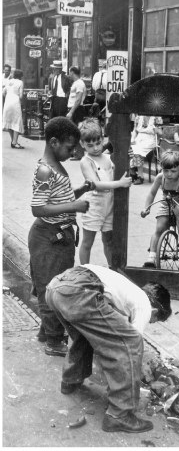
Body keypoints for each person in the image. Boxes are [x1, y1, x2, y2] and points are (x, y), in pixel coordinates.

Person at [45, 264, 172, 433]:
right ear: (155, 310)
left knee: (84, 334)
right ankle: (119, 416)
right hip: (78, 291)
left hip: (56, 287)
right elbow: (131, 344)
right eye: (154, 319)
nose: (151, 321)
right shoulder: (144, 304)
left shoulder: (126, 290)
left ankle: (71, 380)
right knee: (132, 342)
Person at [28, 117, 95, 356]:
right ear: (54, 142)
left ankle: (47, 331)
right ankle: (54, 341)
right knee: (51, 288)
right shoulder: (46, 169)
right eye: (70, 147)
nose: (73, 152)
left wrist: (80, 191)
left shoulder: (55, 165)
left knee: (53, 284)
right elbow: (38, 208)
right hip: (49, 237)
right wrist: (74, 207)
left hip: (59, 236)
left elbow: (58, 199)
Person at [78, 118, 132, 267]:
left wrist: (128, 156)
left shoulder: (108, 158)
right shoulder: (86, 161)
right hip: (94, 205)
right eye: (90, 145)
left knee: (108, 240)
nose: (95, 148)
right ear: (82, 144)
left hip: (109, 204)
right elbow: (95, 184)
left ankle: (112, 269)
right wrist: (119, 184)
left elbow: (122, 171)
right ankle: (85, 269)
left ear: (103, 139)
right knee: (88, 242)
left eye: (98, 143)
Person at [142, 150, 179, 268]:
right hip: (166, 204)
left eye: (173, 171)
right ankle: (151, 257)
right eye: (165, 170)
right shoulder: (160, 177)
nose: (169, 174)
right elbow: (152, 193)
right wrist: (146, 208)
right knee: (159, 228)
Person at [130, 115, 163, 185]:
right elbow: (135, 130)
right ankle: (132, 173)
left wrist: (157, 130)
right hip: (139, 138)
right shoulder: (138, 117)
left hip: (150, 139)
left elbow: (161, 133)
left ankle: (140, 176)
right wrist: (132, 139)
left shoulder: (156, 117)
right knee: (129, 148)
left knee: (137, 150)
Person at [67, 66, 87, 160]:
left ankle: (79, 154)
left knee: (76, 131)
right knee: (73, 131)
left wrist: (71, 111)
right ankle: (75, 152)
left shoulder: (79, 83)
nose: (69, 74)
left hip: (77, 109)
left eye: (69, 72)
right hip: (75, 109)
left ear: (72, 72)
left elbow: (78, 99)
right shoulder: (76, 83)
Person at [2, 68, 24, 149]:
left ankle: (13, 141)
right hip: (15, 102)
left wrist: (8, 97)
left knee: (9, 121)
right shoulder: (20, 82)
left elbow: (3, 93)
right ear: (21, 76)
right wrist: (19, 99)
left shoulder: (8, 81)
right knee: (16, 121)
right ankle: (15, 142)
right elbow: (21, 95)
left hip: (7, 102)